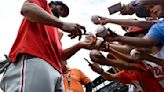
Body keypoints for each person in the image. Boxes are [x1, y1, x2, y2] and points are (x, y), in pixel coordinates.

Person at [0, 0, 87, 92]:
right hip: (33, 60)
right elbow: (26, 8)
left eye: (63, 13)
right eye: (61, 9)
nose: (61, 13)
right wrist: (62, 24)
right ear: (53, 4)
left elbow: (60, 56)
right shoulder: (42, 6)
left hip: (56, 71)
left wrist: (80, 45)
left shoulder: (56, 30)